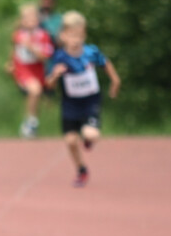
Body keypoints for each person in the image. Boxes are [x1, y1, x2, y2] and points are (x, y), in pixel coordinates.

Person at [45, 11, 121, 188]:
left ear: (84, 35)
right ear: (63, 36)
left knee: (90, 134)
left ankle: (88, 139)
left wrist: (115, 81)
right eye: (71, 35)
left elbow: (106, 63)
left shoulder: (91, 52)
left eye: (79, 35)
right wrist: (55, 76)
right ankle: (81, 170)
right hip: (70, 104)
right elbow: (48, 84)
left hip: (90, 102)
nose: (76, 40)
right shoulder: (60, 57)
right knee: (70, 140)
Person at [8, 3, 53, 138]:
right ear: (22, 21)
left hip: (38, 71)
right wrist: (10, 63)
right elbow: (16, 51)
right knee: (35, 89)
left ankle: (31, 121)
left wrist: (32, 47)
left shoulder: (43, 36)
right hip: (23, 70)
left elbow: (45, 56)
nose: (31, 22)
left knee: (37, 93)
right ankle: (31, 122)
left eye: (33, 18)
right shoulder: (17, 35)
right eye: (27, 19)